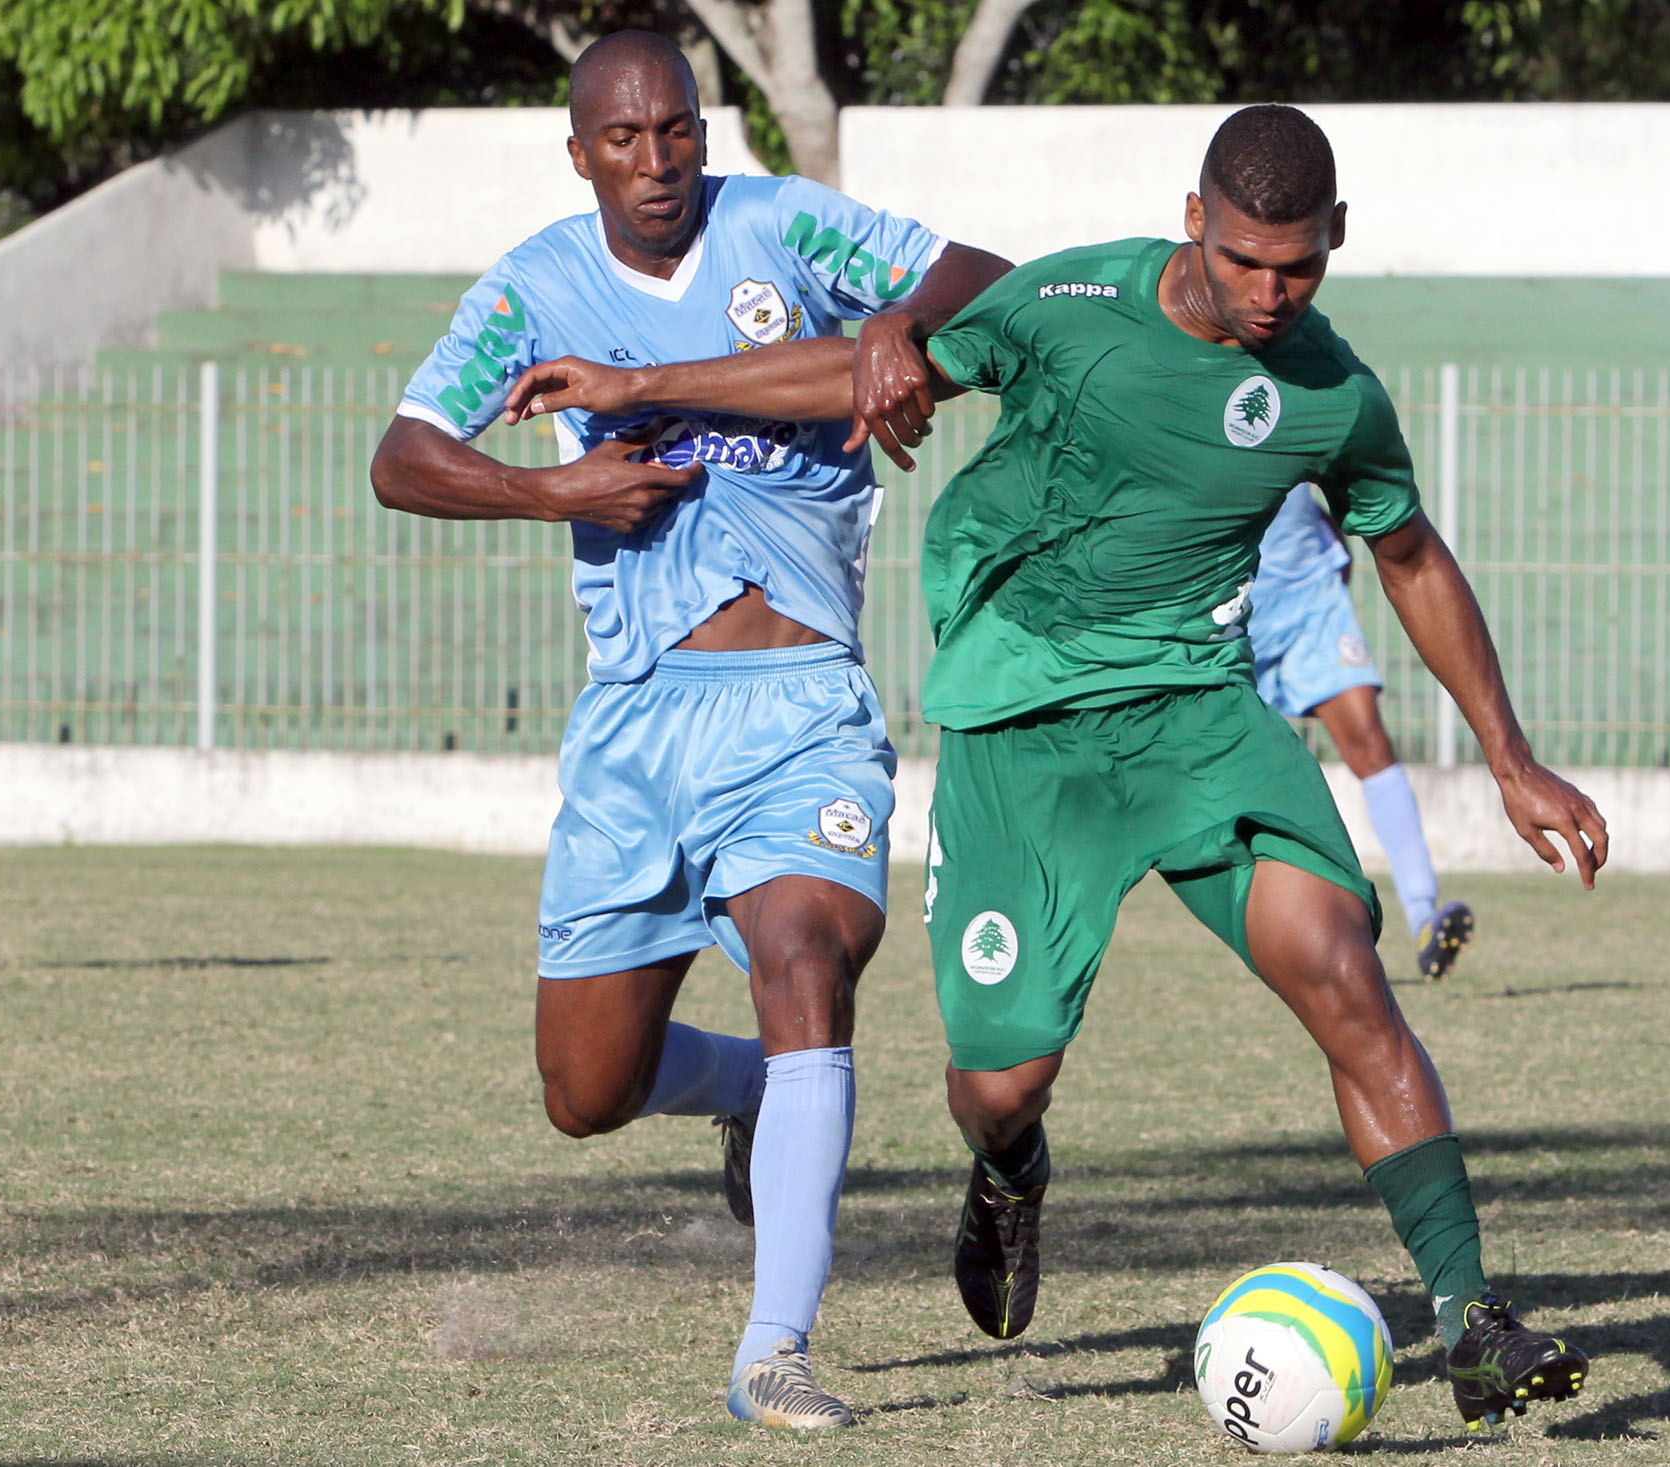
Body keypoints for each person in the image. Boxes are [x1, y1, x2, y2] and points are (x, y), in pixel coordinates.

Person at [505, 103, 1607, 1437]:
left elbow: (1411, 553)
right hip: (1018, 720)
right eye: (1250, 259)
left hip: (1197, 711)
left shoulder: (1332, 391)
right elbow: (871, 370)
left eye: (1301, 266)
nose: (1272, 293)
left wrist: (1511, 754)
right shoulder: (1070, 300)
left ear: (1335, 242)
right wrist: (644, 385)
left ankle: (1472, 1315)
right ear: (1194, 218)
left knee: (1343, 970)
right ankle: (1011, 1165)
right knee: (1000, 1082)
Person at [367, 30, 1008, 1429]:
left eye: (677, 133)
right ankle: (736, 1094)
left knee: (808, 962)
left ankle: (774, 1344)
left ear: (704, 131)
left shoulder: (784, 224)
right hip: (638, 727)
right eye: (625, 140)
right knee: (585, 1091)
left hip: (801, 711)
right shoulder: (535, 285)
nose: (657, 165)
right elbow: (403, 457)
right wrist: (561, 495)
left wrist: (897, 329)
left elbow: (988, 291)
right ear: (581, 150)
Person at [1251, 484, 1474, 980]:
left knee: (1371, 744)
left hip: (1312, 598)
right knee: (1236, 768)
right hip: (1233, 606)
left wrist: (1330, 534)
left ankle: (1424, 916)